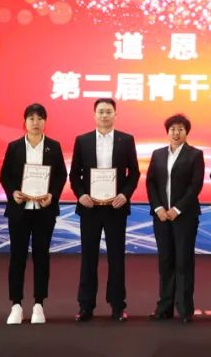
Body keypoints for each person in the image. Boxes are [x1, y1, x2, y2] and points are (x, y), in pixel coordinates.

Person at [70, 98, 140, 322]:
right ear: (94, 115)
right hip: (89, 207)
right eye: (100, 111)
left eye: (109, 111)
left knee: (116, 258)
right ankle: (86, 306)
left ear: (115, 115)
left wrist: (124, 195)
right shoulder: (83, 140)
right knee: (88, 258)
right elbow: (74, 174)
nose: (104, 115)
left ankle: (117, 305)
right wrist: (81, 195)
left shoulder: (126, 140)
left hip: (115, 207)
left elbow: (134, 173)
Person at [0, 103, 67, 325]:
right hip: (20, 211)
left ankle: (39, 304)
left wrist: (52, 195)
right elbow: (5, 176)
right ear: (25, 122)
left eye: (39, 118)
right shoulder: (15, 146)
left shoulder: (54, 147)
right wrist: (13, 192)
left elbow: (61, 176)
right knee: (17, 257)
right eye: (31, 118)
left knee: (41, 257)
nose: (35, 122)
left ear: (45, 122)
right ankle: (16, 304)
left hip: (44, 211)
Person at [145, 114, 204, 324]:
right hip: (161, 217)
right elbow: (151, 182)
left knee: (183, 261)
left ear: (186, 132)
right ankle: (164, 307)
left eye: (180, 129)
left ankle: (185, 309)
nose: (176, 133)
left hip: (184, 216)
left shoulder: (195, 154)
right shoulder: (158, 154)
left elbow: (195, 186)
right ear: (167, 131)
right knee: (166, 261)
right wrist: (158, 208)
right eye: (172, 129)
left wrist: (177, 209)